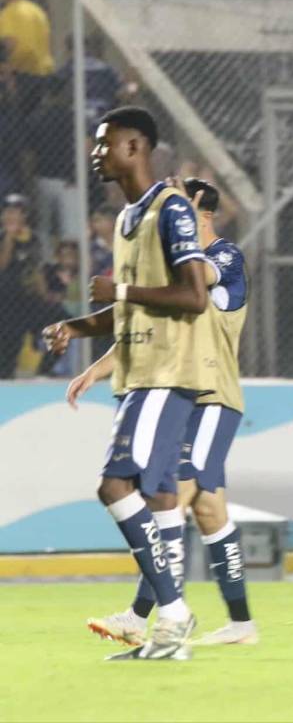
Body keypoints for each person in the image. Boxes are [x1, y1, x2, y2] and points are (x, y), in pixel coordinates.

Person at [41, 106, 213, 660]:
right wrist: (74, 327)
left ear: (135, 147)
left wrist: (117, 292)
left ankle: (176, 612)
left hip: (167, 376)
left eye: (104, 142)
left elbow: (193, 297)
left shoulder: (172, 211)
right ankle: (164, 636)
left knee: (114, 487)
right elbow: (127, 312)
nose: (96, 152)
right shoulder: (124, 221)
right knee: (162, 499)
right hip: (140, 375)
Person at [75, 177, 258, 648]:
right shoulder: (177, 274)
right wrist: (95, 371)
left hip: (214, 395)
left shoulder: (225, 257)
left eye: (184, 212)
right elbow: (152, 326)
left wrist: (128, 285)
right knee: (207, 509)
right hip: (185, 393)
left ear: (205, 215)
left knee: (169, 494)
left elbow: (201, 283)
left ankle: (144, 615)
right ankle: (240, 624)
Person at [0, 193, 47, 378]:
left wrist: (43, 292)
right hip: (4, 297)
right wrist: (10, 238)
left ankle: (36, 370)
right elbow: (2, 265)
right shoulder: (2, 237)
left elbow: (37, 267)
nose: (10, 216)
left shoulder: (33, 239)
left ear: (24, 215)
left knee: (20, 339)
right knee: (6, 340)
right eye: (7, 212)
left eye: (16, 212)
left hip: (26, 299)